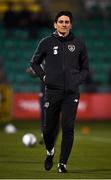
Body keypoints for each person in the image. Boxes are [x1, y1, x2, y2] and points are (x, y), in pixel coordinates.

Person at [26, 11, 89, 173]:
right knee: (48, 129)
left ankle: (63, 164)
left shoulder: (79, 44)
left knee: (68, 127)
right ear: (55, 24)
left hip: (71, 93)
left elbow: (85, 69)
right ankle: (50, 152)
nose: (64, 24)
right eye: (61, 21)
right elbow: (34, 63)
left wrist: (77, 80)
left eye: (67, 22)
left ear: (71, 25)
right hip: (52, 91)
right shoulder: (46, 42)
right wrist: (44, 77)